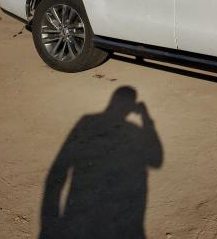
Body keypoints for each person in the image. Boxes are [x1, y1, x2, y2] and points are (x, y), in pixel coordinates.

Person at [40, 86, 163, 239]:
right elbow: (156, 160)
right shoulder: (133, 129)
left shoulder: (87, 121)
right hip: (119, 217)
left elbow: (59, 168)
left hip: (83, 210)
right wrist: (146, 117)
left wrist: (47, 224)